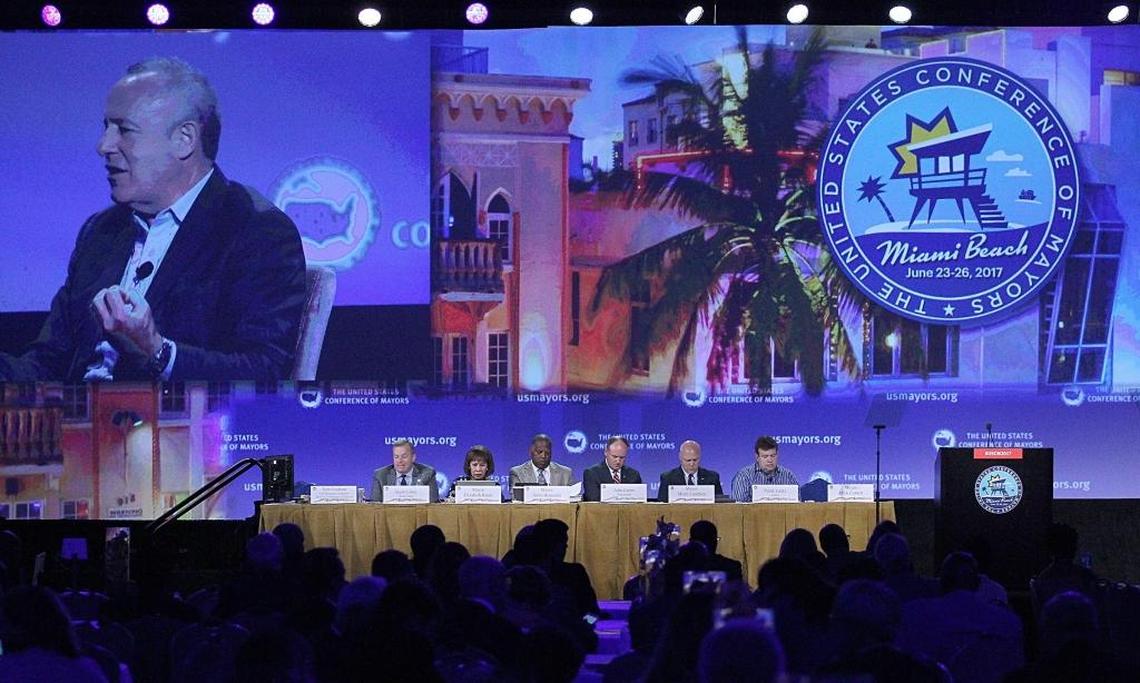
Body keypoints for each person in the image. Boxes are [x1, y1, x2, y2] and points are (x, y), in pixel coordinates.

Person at [0, 57, 306, 382]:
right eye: (106, 128)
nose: (104, 146)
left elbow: (265, 373)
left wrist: (157, 352)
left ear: (184, 139)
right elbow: (48, 364)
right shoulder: (101, 232)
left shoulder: (255, 231)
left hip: (180, 429)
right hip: (75, 425)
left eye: (124, 130)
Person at [731, 436, 799, 502]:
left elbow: (799, 506)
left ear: (777, 455)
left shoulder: (789, 476)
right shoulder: (744, 477)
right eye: (765, 456)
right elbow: (738, 509)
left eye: (773, 456)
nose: (770, 460)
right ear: (757, 457)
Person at [370, 439, 440, 502]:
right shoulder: (380, 475)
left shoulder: (427, 473)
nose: (400, 461)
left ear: (413, 457)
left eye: (404, 456)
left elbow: (433, 505)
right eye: (396, 457)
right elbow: (375, 506)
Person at [581, 436, 642, 502]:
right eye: (614, 456)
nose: (618, 461)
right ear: (606, 452)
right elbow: (593, 500)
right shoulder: (592, 473)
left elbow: (639, 501)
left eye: (622, 457)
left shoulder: (634, 475)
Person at [657, 440, 722, 502]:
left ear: (700, 457)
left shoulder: (712, 478)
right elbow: (661, 506)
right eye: (688, 460)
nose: (691, 464)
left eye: (695, 460)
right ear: (680, 457)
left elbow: (721, 505)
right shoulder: (668, 478)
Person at [508, 434, 574, 487]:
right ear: (531, 451)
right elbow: (515, 499)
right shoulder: (517, 473)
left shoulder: (566, 473)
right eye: (539, 452)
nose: (543, 456)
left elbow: (574, 499)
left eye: (547, 453)